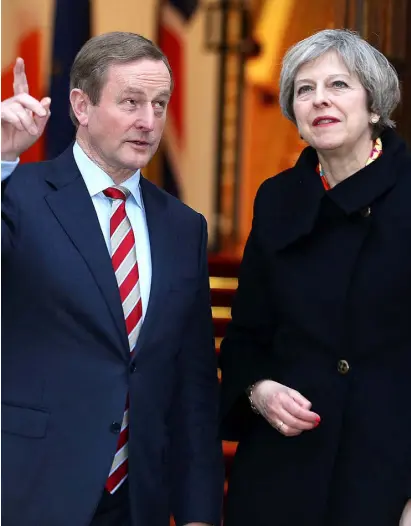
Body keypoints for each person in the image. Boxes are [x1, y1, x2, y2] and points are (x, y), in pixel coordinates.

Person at [1, 32, 224, 526]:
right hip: (28, 491)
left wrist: (198, 514)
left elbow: (193, 390)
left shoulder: (184, 227)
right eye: (130, 102)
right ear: (81, 105)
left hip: (138, 500)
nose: (149, 121)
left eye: (160, 104)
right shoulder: (17, 194)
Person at [219, 29, 411, 526]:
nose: (319, 98)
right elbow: (246, 335)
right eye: (304, 89)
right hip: (282, 473)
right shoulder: (277, 197)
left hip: (386, 478)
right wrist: (258, 388)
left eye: (338, 85)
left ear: (374, 106)